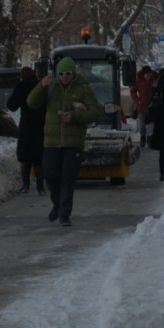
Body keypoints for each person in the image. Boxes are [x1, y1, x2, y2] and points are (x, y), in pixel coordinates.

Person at [26, 56, 101, 227]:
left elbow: (95, 112)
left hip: (73, 142)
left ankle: (64, 214)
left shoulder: (83, 88)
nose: (64, 77)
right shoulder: (52, 87)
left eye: (68, 73)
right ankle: (57, 204)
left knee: (68, 177)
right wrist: (41, 86)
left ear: (73, 74)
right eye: (61, 73)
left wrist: (73, 117)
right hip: (51, 142)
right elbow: (32, 103)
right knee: (51, 175)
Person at [6, 66, 46, 195]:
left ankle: (26, 186)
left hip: (27, 127)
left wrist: (18, 88)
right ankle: (41, 188)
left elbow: (11, 105)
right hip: (41, 126)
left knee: (26, 158)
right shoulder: (41, 86)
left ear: (22, 76)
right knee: (39, 159)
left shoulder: (22, 86)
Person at [129, 66, 158, 147]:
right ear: (143, 74)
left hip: (152, 106)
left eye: (149, 75)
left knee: (151, 124)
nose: (148, 77)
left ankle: (149, 139)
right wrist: (138, 100)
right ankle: (142, 138)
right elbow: (132, 91)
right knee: (142, 125)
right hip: (142, 106)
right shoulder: (138, 81)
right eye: (147, 75)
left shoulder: (155, 80)